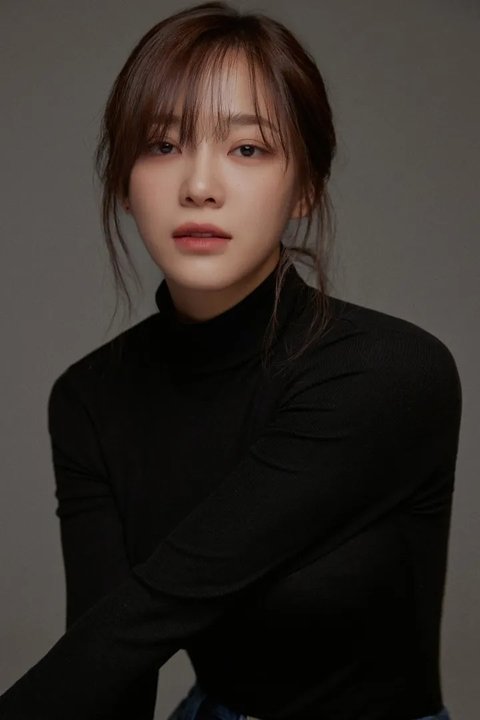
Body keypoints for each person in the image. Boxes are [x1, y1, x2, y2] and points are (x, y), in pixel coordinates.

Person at [0, 2, 462, 719]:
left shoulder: (389, 373)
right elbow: (111, 669)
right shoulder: (90, 397)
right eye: (162, 145)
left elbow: (156, 607)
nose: (200, 185)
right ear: (124, 182)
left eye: (247, 149)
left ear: (305, 187)